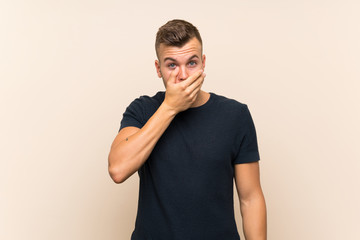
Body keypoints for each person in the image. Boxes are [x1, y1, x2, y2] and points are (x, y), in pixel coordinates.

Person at [108, 19, 267, 240]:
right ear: (158, 69)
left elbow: (250, 198)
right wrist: (170, 107)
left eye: (191, 63)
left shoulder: (235, 115)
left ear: (203, 63)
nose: (182, 75)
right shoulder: (143, 110)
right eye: (172, 65)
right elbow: (118, 169)